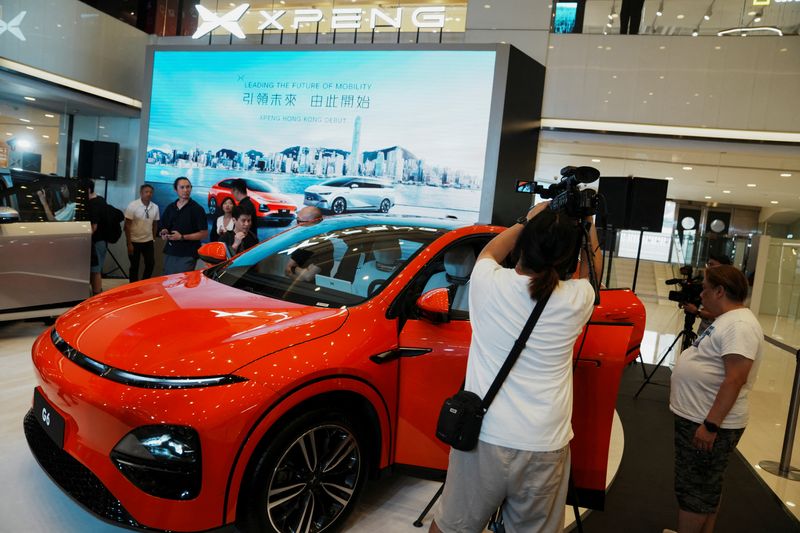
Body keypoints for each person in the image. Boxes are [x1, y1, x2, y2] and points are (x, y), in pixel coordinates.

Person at [431, 202, 601, 533]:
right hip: (544, 442)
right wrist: (588, 225)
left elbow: (492, 251)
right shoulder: (576, 298)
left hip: (484, 438)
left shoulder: (488, 281)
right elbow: (592, 266)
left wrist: (529, 218)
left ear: (524, 246)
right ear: (567, 257)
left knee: (452, 527)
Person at [669, 265, 763, 533]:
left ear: (720, 291)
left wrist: (710, 426)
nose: (701, 294)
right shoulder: (728, 320)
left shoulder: (740, 326)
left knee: (695, 490)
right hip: (702, 417)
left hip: (709, 422)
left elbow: (735, 378)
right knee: (705, 487)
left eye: (706, 288)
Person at [159, 177, 208, 275]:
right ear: (175, 189)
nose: (185, 190)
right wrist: (163, 232)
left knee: (182, 282)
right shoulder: (171, 207)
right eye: (182, 187)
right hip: (170, 251)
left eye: (188, 187)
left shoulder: (197, 209)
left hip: (188, 253)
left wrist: (182, 237)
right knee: (167, 280)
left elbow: (204, 234)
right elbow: (163, 226)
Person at [683, 253, 732, 336]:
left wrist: (696, 311)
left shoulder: (727, 288)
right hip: (704, 331)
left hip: (717, 334)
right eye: (708, 264)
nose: (708, 268)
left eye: (712, 265)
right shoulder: (710, 284)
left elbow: (720, 314)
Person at [124, 184, 160, 282]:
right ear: (141, 193)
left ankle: (144, 282)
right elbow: (127, 226)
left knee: (150, 263)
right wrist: (129, 243)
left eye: (151, 192)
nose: (149, 194)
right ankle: (133, 286)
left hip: (148, 241)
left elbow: (155, 224)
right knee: (134, 265)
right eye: (146, 192)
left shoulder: (155, 207)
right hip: (134, 241)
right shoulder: (133, 205)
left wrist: (153, 238)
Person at [87, 180, 107, 295]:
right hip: (102, 240)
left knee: (95, 270)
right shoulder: (101, 200)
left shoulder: (94, 204)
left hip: (97, 241)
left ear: (88, 190)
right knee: (95, 269)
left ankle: (97, 294)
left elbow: (93, 227)